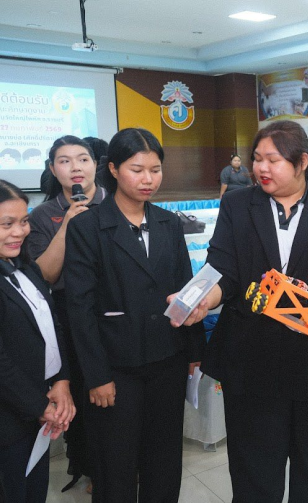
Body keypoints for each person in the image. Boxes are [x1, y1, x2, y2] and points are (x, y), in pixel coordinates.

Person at [202, 120, 308, 503]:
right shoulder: (237, 205)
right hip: (251, 365)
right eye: (257, 159)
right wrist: (204, 299)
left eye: (273, 160)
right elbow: (222, 269)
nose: (261, 168)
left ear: (301, 162)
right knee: (253, 478)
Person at [64, 128, 207, 502]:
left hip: (167, 359)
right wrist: (96, 376)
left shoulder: (168, 223)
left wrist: (194, 351)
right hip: (115, 368)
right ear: (113, 169)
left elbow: (185, 287)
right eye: (137, 169)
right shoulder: (87, 227)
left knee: (165, 458)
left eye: (155, 170)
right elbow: (79, 308)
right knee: (116, 464)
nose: (148, 180)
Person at [28, 136, 108, 493]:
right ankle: (91, 468)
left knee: (118, 394)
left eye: (83, 159)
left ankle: (124, 463)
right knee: (84, 396)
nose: (75, 167)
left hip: (113, 310)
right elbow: (44, 276)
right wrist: (68, 225)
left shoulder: (116, 203)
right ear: (52, 168)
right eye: (64, 161)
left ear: (96, 165)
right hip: (67, 314)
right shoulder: (42, 215)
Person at [0, 180, 76, 503]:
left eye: (24, 221)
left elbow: (52, 326)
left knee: (35, 492)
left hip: (39, 412)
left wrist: (61, 381)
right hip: (10, 420)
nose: (19, 232)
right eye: (7, 224)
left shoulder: (25, 267)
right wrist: (40, 406)